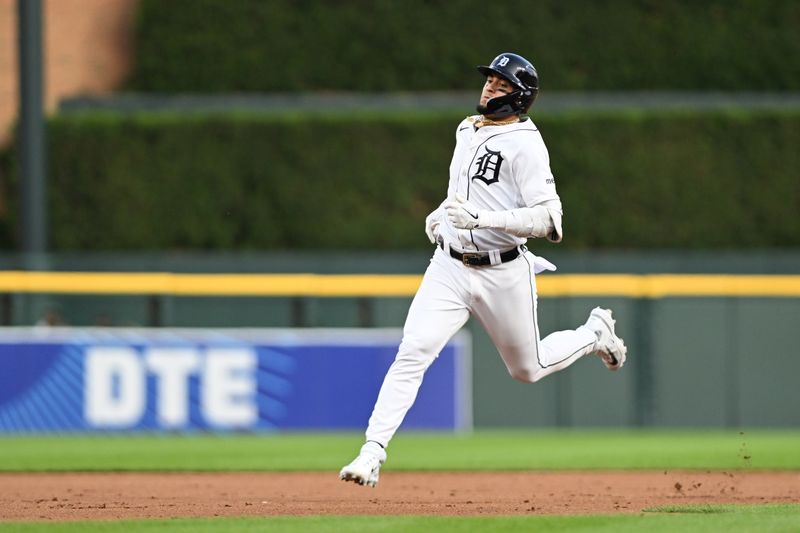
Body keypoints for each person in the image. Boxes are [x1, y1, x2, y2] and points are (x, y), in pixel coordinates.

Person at [339, 52, 628, 487]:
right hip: (449, 267)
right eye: (490, 79)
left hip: (503, 271)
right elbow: (461, 195)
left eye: (502, 83)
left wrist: (485, 221)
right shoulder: (467, 128)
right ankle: (371, 453)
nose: (490, 86)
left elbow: (551, 219)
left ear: (520, 97)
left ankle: (593, 334)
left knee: (526, 370)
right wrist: (440, 214)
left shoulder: (526, 144)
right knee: (412, 352)